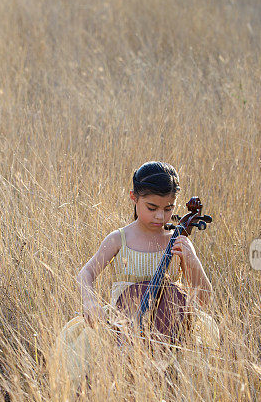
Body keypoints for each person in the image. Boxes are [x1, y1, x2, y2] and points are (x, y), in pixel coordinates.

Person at [56, 161, 220, 383]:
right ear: (134, 198)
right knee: (91, 370)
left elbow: (204, 298)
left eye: (169, 208)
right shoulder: (119, 238)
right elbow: (85, 274)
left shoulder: (178, 241)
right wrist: (90, 302)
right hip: (121, 327)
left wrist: (192, 260)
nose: (161, 217)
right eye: (152, 208)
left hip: (169, 331)